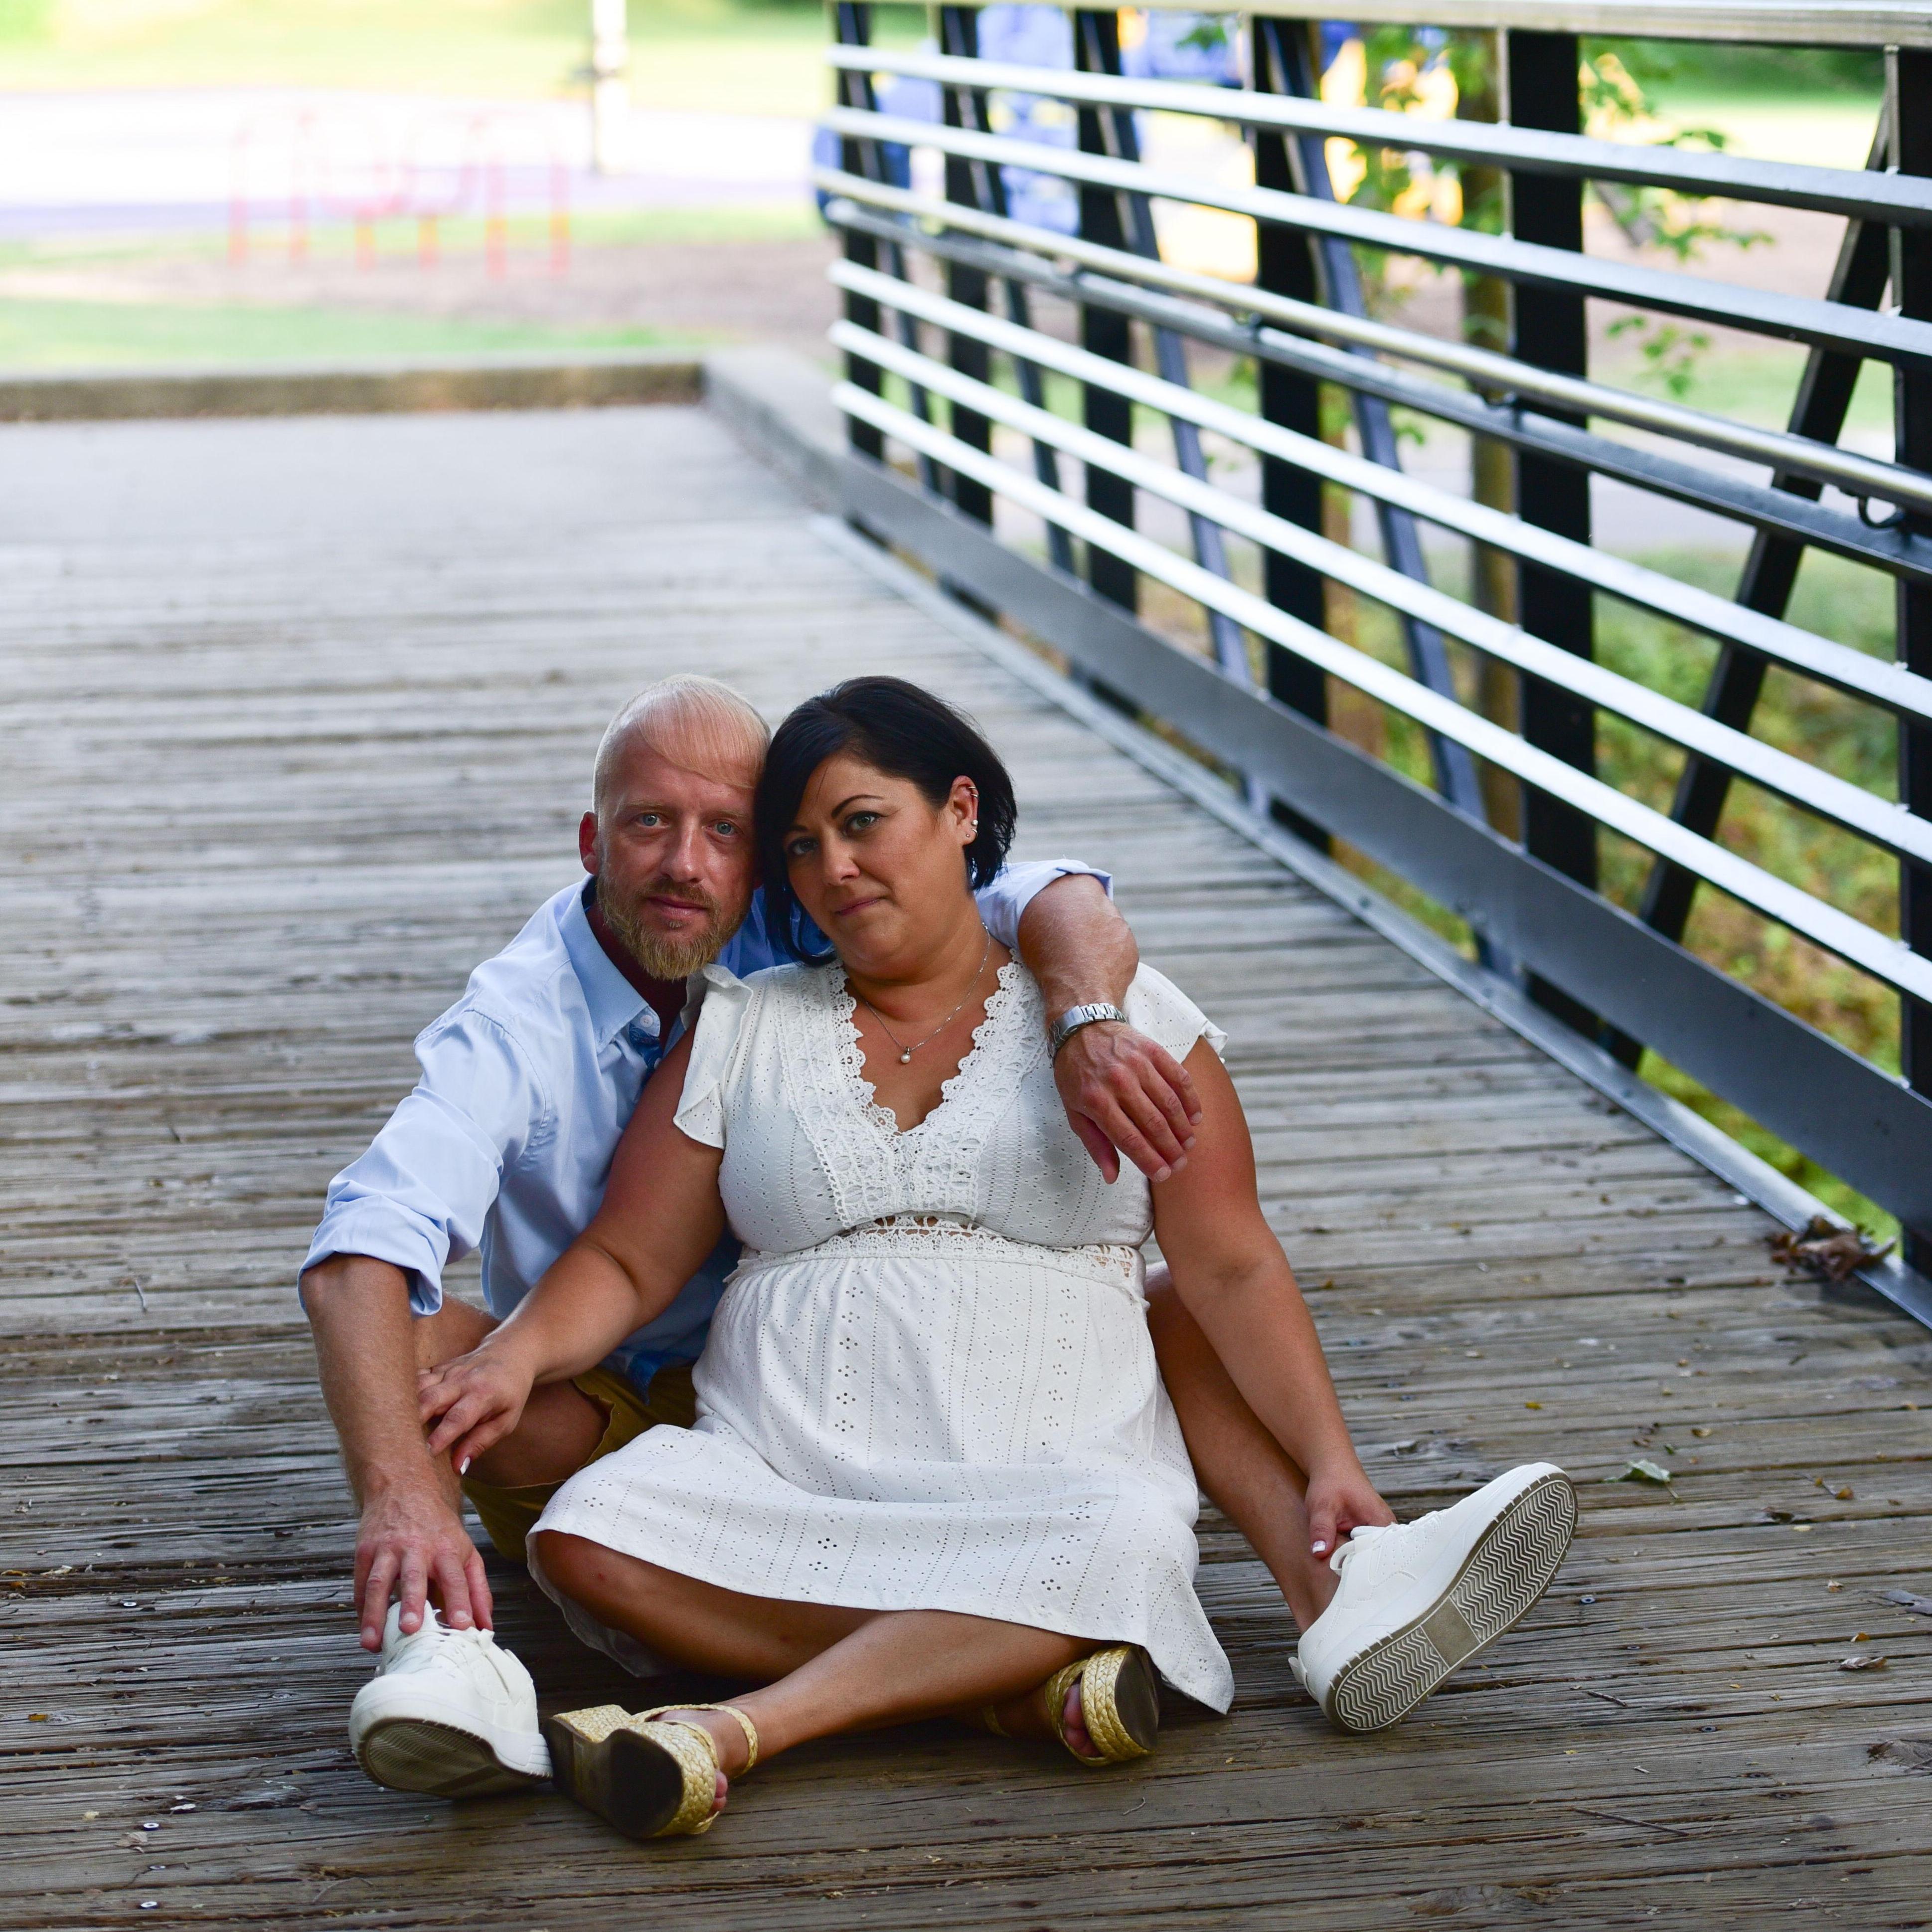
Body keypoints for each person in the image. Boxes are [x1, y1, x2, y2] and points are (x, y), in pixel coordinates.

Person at [416, 678, 1576, 1841]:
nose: (835, 870)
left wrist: (1331, 1464)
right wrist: (519, 1354)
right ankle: (1008, 1684)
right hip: (783, 1465)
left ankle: (738, 1728)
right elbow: (627, 1260)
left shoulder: (1122, 1020)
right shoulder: (743, 1022)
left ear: (960, 810)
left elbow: (1228, 1265)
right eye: (802, 848)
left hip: (1051, 1476)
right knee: (590, 1537)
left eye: (863, 823)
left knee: (1121, 1541)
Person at [301, 672, 1213, 1796]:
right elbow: (361, 1247)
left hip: (805, 1395)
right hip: (595, 1394)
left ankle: (918, 1682)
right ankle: (444, 1646)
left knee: (1112, 1490)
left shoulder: (814, 904)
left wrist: (1084, 1021)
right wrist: (403, 1492)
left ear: (762, 854)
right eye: (648, 824)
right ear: (592, 841)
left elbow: (1053, 896)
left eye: (726, 831)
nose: (685, 865)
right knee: (417, 1348)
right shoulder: (514, 1022)